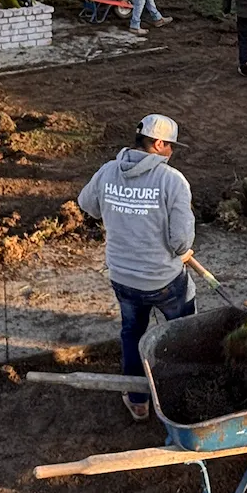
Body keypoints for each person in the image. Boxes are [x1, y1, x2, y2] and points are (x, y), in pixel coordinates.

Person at [77, 114, 196, 420]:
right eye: (170, 146)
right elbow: (181, 239)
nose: (171, 153)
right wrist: (183, 252)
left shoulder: (107, 172)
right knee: (183, 336)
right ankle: (181, 394)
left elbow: (87, 204)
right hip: (165, 281)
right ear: (158, 143)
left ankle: (138, 400)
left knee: (132, 333)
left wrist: (120, 211)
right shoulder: (172, 181)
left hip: (123, 278)